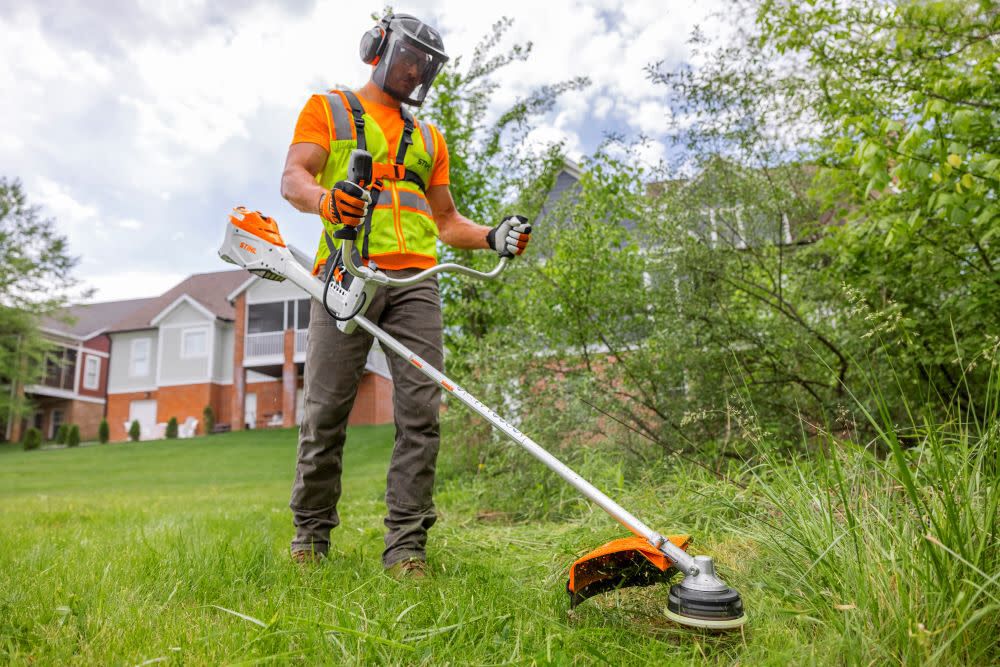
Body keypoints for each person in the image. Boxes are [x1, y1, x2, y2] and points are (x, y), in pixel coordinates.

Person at [279, 12, 532, 577]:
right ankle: (310, 539)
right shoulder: (330, 109)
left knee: (422, 414)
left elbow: (445, 221)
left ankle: (407, 548)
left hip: (416, 284)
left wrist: (491, 236)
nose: (416, 68)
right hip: (346, 275)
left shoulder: (430, 138)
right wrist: (326, 201)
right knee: (325, 413)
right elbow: (294, 178)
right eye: (410, 55)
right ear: (380, 48)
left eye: (426, 63)